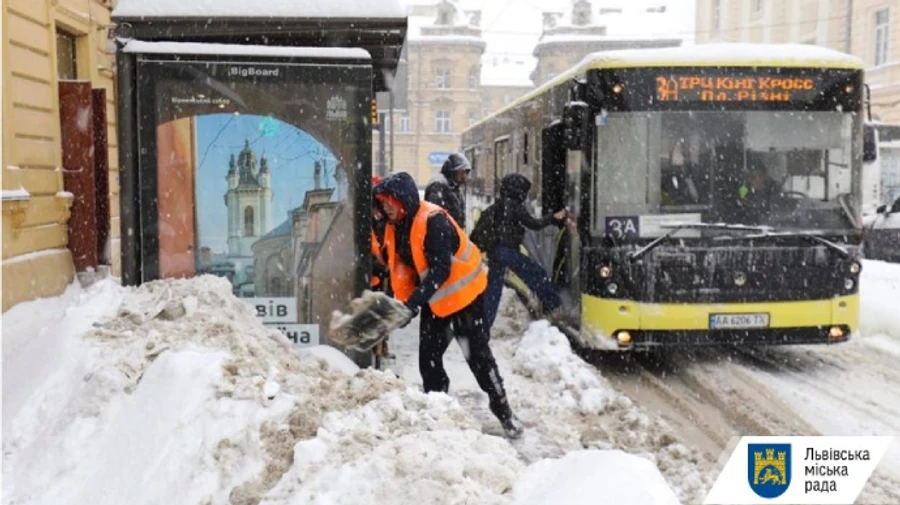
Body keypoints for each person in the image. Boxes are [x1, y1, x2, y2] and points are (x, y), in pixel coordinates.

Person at [374, 172, 524, 439]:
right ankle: (438, 410)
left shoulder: (434, 222)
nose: (385, 208)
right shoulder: (397, 225)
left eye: (389, 202)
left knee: (478, 359)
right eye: (382, 203)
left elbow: (440, 271)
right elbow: (404, 266)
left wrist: (413, 303)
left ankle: (504, 412)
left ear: (403, 200)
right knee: (429, 359)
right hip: (437, 300)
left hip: (465, 297)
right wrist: (403, 305)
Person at [470, 173, 568, 329]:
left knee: (493, 290)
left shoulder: (495, 207)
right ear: (518, 191)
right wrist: (553, 218)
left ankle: (485, 325)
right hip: (508, 253)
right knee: (536, 274)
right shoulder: (515, 207)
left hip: (495, 252)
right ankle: (555, 305)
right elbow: (535, 224)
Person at [424, 153, 471, 229]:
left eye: (466, 173)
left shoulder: (454, 186)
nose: (464, 176)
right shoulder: (438, 185)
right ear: (453, 171)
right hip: (442, 233)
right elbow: (433, 214)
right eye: (461, 172)